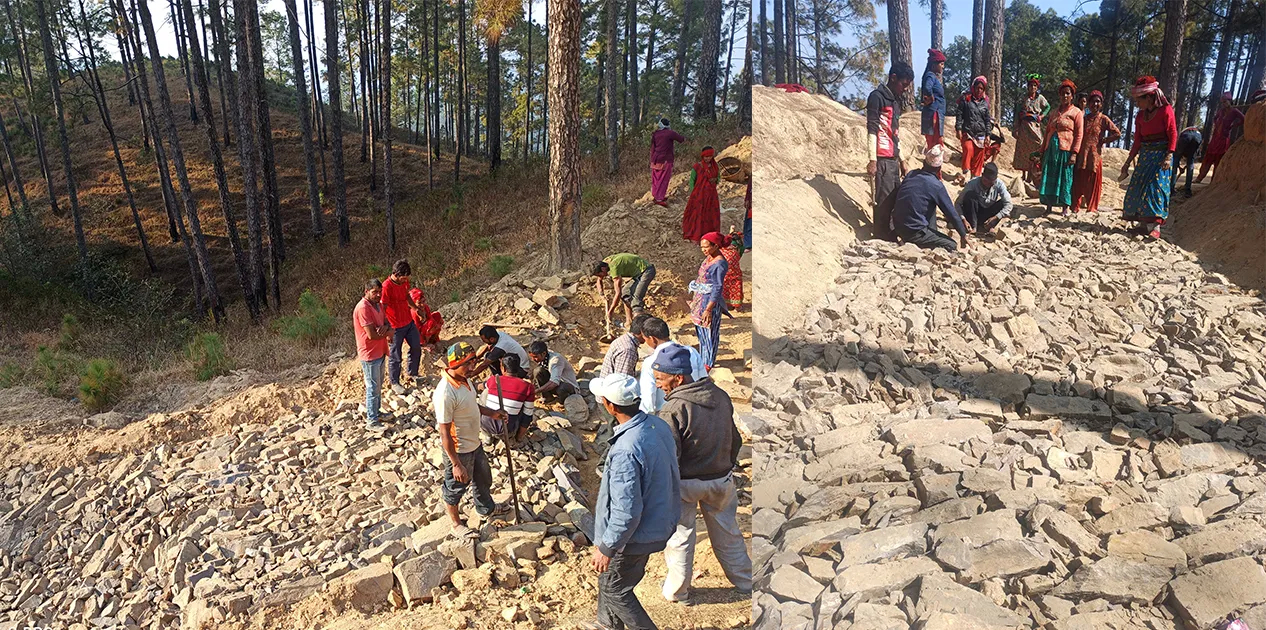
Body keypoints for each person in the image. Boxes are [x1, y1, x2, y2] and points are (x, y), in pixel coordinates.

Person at [652, 346, 752, 604]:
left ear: (678, 378)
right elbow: (736, 438)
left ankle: (678, 593)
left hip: (686, 483)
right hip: (720, 479)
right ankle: (746, 582)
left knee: (681, 538)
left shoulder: (673, 409)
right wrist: (727, 466)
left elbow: (669, 455)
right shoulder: (719, 396)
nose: (658, 385)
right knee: (728, 533)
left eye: (660, 379)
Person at [586, 374, 680, 630]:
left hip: (634, 535)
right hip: (658, 520)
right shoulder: (656, 425)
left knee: (614, 588)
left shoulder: (626, 449)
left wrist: (608, 546)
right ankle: (607, 624)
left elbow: (626, 511)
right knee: (612, 581)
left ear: (611, 406)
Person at [434, 342, 510, 539]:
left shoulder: (464, 381)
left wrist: (493, 413)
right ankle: (456, 524)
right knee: (455, 486)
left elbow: (470, 405)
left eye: (473, 362)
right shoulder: (445, 393)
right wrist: (456, 464)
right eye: (467, 364)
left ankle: (486, 508)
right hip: (459, 449)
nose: (472, 368)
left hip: (474, 444)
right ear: (454, 365)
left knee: (483, 477)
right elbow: (444, 433)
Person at [1119, 76, 1178, 240]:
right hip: (1146, 155)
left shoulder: (1166, 111)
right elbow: (1137, 141)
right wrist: (1127, 163)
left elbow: (1172, 133)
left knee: (1155, 188)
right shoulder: (1140, 117)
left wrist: (1168, 156)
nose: (1137, 104)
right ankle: (1142, 225)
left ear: (1150, 97)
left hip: (1161, 156)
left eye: (1139, 100)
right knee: (1137, 186)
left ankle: (1156, 227)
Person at [883, 144, 970, 251]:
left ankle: (922, 237)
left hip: (897, 225)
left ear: (924, 163)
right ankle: (919, 243)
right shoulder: (936, 185)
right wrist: (963, 234)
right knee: (950, 244)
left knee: (930, 203)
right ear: (939, 168)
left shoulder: (911, 174)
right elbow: (950, 212)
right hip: (913, 231)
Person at [867, 62, 915, 240]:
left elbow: (895, 134)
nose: (904, 89)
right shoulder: (876, 97)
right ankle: (880, 234)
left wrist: (902, 159)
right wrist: (872, 159)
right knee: (884, 200)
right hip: (881, 157)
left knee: (896, 198)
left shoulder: (895, 103)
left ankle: (892, 232)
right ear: (893, 78)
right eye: (903, 85)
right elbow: (872, 128)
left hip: (893, 158)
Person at [638, 317, 707, 415]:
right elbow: (703, 380)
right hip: (695, 409)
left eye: (645, 339)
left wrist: (647, 418)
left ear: (652, 339)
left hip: (667, 413)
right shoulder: (691, 351)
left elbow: (648, 396)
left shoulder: (651, 362)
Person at [1071, 90, 1121, 213]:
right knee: (1078, 181)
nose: (1095, 104)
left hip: (1094, 156)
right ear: (1088, 104)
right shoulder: (1083, 119)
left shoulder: (1103, 119)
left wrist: (1104, 140)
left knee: (1092, 183)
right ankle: (1075, 207)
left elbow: (1117, 133)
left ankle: (1091, 207)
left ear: (1101, 104)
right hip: (1082, 155)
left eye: (1098, 101)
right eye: (1093, 101)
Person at [1039, 79, 1084, 215]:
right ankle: (1048, 205)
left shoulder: (1076, 113)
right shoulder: (1053, 113)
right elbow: (1047, 132)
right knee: (1049, 175)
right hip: (1051, 150)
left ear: (1072, 96)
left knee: (1065, 176)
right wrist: (1042, 150)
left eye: (1067, 93)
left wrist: (1074, 153)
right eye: (1062, 93)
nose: (1064, 96)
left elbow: (1079, 134)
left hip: (1066, 150)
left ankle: (1065, 207)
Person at [381, 259, 426, 394]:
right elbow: (383, 308)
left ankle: (413, 374)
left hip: (408, 321)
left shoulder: (404, 282)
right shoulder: (386, 287)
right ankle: (395, 382)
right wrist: (386, 328)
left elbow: (407, 296)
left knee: (416, 346)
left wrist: (415, 308)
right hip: (394, 326)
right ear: (395, 274)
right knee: (395, 355)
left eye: (406, 278)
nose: (404, 281)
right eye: (403, 278)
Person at [354, 279, 392, 432]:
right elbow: (371, 334)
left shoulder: (378, 305)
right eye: (374, 292)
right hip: (369, 353)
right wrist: (387, 332)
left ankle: (376, 413)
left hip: (380, 350)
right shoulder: (363, 308)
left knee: (378, 385)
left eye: (379, 291)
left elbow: (388, 323)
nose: (378, 295)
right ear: (366, 291)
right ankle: (372, 420)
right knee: (372, 387)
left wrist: (385, 328)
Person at [691, 232, 731, 371]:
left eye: (706, 247)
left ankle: (708, 362)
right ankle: (703, 359)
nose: (704, 250)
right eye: (702, 247)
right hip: (700, 299)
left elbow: (717, 287)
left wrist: (709, 308)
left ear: (715, 246)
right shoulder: (708, 258)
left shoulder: (719, 264)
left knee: (710, 331)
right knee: (701, 330)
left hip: (709, 302)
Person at [482, 355, 536, 443]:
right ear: (518, 368)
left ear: (503, 368)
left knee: (485, 393)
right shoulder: (528, 387)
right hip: (507, 432)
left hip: (486, 426)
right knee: (524, 405)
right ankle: (510, 438)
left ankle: (487, 436)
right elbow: (527, 417)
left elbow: (481, 386)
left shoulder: (493, 379)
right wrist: (519, 438)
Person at [593, 253, 656, 327]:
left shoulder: (614, 267)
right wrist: (601, 294)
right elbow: (599, 280)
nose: (601, 277)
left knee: (636, 302)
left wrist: (610, 312)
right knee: (625, 294)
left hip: (646, 271)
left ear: (603, 269)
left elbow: (618, 293)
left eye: (600, 274)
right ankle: (629, 322)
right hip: (638, 274)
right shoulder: (605, 262)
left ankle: (640, 330)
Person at [1196, 92, 1245, 183]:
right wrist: (1217, 124)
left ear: (1230, 101)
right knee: (1208, 157)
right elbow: (1215, 118)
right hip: (1215, 138)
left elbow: (1243, 119)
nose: (1224, 104)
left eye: (1225, 102)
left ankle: (1214, 181)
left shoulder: (1234, 111)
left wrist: (1233, 125)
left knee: (1219, 160)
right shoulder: (1221, 111)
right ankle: (1200, 177)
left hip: (1224, 138)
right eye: (1222, 102)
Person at [955, 162, 1013, 235]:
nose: (988, 185)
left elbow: (1009, 204)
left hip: (987, 214)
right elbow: (958, 203)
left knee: (1002, 203)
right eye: (986, 181)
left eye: (991, 183)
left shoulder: (999, 184)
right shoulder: (972, 183)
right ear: (982, 176)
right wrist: (963, 219)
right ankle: (973, 227)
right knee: (970, 195)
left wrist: (996, 217)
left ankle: (990, 226)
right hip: (972, 212)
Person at [956, 76, 995, 181]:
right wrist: (958, 129)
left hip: (980, 134)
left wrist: (988, 135)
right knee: (968, 149)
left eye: (981, 89)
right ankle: (965, 172)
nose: (979, 90)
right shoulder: (966, 99)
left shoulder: (985, 103)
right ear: (973, 88)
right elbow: (959, 115)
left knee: (979, 156)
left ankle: (975, 178)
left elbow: (987, 120)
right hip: (968, 131)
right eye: (977, 88)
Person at [1013, 75, 1051, 183]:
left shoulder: (1040, 98)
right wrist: (1016, 127)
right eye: (1031, 85)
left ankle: (1033, 172)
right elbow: (1018, 112)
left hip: (1035, 126)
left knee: (1038, 146)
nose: (1032, 88)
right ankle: (1024, 174)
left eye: (1035, 86)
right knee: (1023, 150)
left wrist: (1042, 116)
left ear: (1037, 87)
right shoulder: (1024, 98)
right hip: (1024, 126)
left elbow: (1047, 107)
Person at [682, 147, 721, 243]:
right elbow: (692, 181)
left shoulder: (715, 166)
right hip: (699, 195)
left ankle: (710, 235)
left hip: (711, 195)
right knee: (698, 214)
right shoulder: (697, 167)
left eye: (710, 156)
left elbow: (718, 177)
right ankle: (696, 234)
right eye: (706, 157)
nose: (708, 158)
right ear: (702, 156)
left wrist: (715, 181)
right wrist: (693, 193)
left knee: (711, 215)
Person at [527, 340, 579, 405]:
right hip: (554, 383)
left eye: (535, 357)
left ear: (543, 353)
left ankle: (563, 402)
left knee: (562, 388)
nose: (533, 359)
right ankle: (547, 397)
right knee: (537, 371)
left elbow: (554, 382)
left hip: (567, 385)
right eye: (532, 357)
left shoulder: (556, 360)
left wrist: (536, 391)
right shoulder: (545, 356)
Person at [650, 118, 686, 206]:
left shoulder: (655, 134)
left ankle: (656, 196)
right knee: (663, 179)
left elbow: (652, 148)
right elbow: (681, 139)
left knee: (656, 179)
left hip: (655, 159)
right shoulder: (670, 133)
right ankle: (659, 199)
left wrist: (652, 160)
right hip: (665, 159)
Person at [602, 313, 651, 378]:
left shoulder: (625, 339)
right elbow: (622, 382)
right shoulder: (628, 349)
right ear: (643, 332)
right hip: (613, 386)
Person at [920, 49, 947, 149]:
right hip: (934, 114)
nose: (943, 67)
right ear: (933, 65)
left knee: (936, 141)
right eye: (941, 64)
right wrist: (931, 98)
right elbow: (927, 87)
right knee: (935, 141)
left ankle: (934, 162)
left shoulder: (932, 77)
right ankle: (934, 163)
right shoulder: (930, 76)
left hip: (935, 113)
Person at [1172, 126, 1202, 197]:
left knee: (1175, 162)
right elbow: (1192, 156)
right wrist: (1182, 167)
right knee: (1190, 164)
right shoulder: (1196, 133)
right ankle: (1188, 190)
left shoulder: (1183, 134)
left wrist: (1178, 166)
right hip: (1198, 137)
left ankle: (1172, 189)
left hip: (1186, 136)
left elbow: (1178, 154)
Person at [720, 228, 744, 312]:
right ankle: (737, 306)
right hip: (735, 273)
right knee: (736, 289)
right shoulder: (738, 249)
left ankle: (726, 305)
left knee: (725, 289)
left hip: (724, 274)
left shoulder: (721, 250)